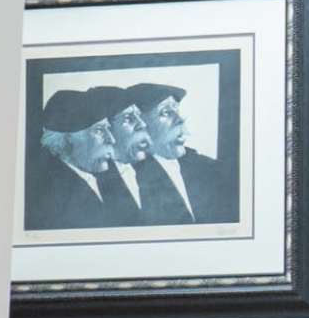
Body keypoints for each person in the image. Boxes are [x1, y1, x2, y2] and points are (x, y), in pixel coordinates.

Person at [121, 80, 229, 223]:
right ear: (141, 125)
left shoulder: (208, 168)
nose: (180, 120)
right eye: (165, 112)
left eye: (176, 110)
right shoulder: (130, 176)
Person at [26, 87, 128, 229]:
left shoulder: (104, 177)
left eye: (108, 129)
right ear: (67, 139)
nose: (111, 139)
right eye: (99, 130)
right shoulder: (51, 197)